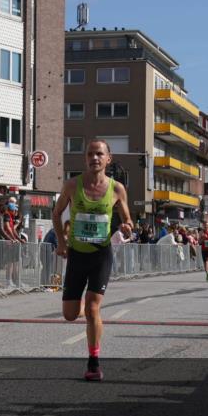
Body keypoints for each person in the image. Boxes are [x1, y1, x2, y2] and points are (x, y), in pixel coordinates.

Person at [54, 139, 134, 382]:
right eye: (90, 154)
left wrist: (128, 227)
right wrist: (61, 242)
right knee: (70, 314)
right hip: (77, 254)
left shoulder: (117, 189)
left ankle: (94, 362)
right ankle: (81, 309)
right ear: (85, 158)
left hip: (101, 254)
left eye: (99, 154)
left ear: (108, 159)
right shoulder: (71, 185)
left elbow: (128, 219)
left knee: (92, 308)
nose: (94, 158)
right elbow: (56, 213)